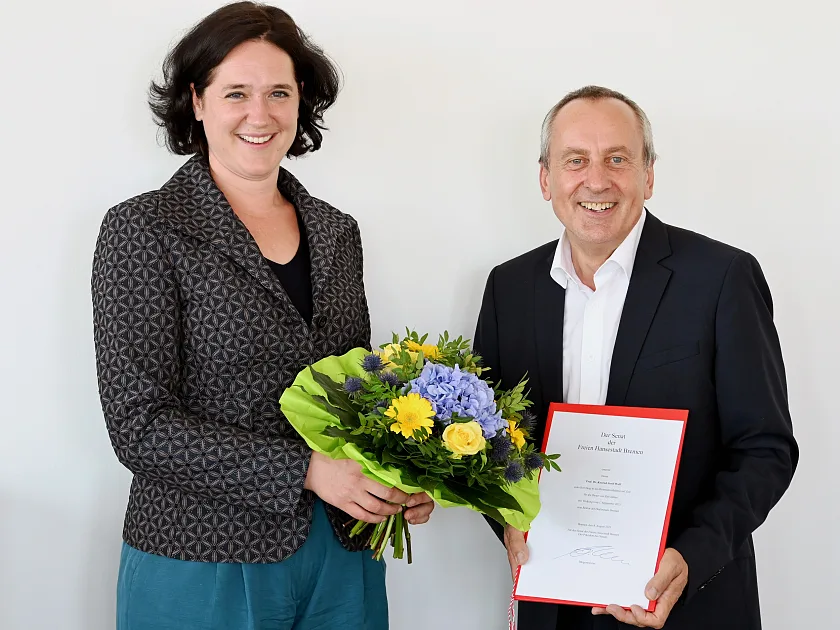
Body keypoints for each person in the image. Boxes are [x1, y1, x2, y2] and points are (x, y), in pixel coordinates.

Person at [90, 3, 433, 629]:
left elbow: (360, 390)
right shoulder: (144, 229)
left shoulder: (336, 231)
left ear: (301, 102)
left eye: (279, 92)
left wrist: (402, 471)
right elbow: (138, 424)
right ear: (196, 101)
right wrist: (305, 471)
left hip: (342, 553)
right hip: (202, 556)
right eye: (236, 93)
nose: (260, 113)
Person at [473, 85, 797, 630]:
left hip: (687, 603)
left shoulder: (721, 279)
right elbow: (481, 442)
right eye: (576, 160)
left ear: (648, 175)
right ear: (546, 178)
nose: (596, 180)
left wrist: (694, 556)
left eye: (616, 159)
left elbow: (765, 449)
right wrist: (506, 520)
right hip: (553, 606)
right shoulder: (509, 288)